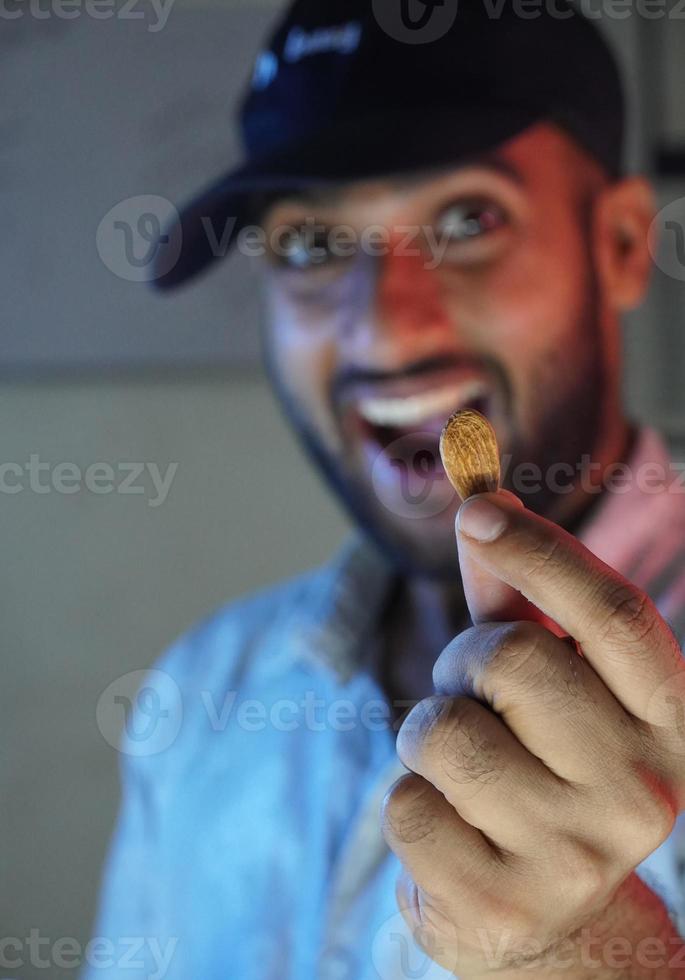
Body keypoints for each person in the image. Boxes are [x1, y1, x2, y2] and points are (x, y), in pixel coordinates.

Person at [86, 1, 685, 977]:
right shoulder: (201, 694)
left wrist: (605, 954)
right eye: (310, 247)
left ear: (619, 245)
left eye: (465, 219)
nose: (384, 332)